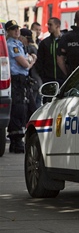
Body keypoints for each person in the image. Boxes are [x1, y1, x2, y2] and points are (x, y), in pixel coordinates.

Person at [5, 20, 37, 153]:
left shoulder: (18, 43)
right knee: (18, 109)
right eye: (13, 29)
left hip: (23, 81)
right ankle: (16, 141)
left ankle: (20, 140)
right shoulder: (12, 44)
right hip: (17, 80)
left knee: (28, 108)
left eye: (17, 28)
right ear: (8, 31)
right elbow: (25, 63)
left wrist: (29, 60)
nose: (17, 31)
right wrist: (32, 59)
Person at [36, 17, 66, 87]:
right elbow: (40, 61)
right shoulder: (45, 43)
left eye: (50, 25)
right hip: (48, 79)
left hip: (63, 79)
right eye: (48, 25)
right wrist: (43, 75)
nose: (48, 27)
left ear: (57, 26)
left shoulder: (65, 41)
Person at [20, 28, 42, 116]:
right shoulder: (33, 47)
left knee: (33, 108)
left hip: (33, 81)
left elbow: (28, 65)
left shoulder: (30, 48)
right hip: (36, 81)